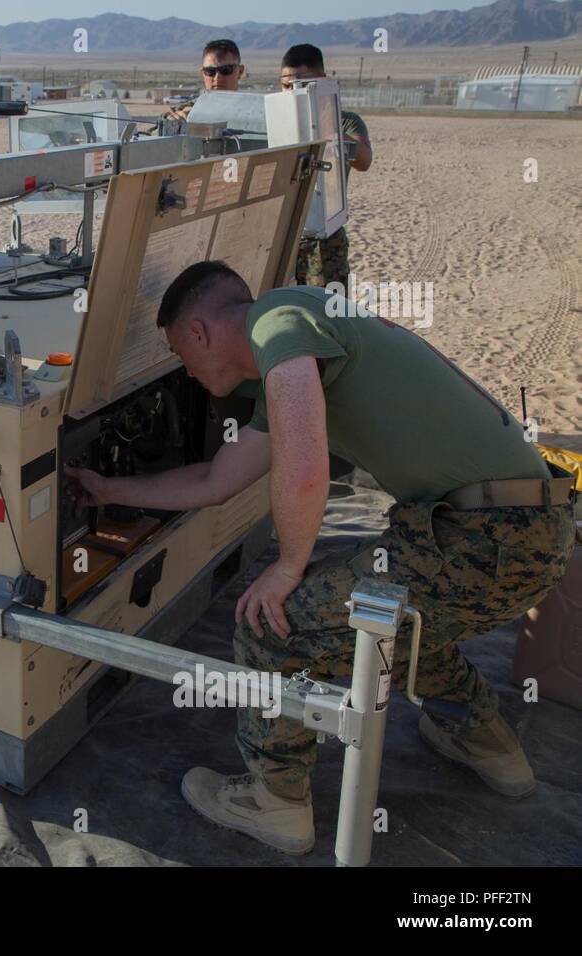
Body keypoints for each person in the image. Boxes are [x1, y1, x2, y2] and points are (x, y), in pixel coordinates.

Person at [65, 261, 575, 855]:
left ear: (199, 334)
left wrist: (285, 572)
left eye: (182, 354)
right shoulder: (301, 334)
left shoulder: (280, 319)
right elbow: (214, 479)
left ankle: (276, 805)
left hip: (482, 535)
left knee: (271, 627)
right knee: (394, 619)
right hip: (526, 529)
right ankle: (489, 746)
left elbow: (306, 469)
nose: (187, 370)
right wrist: (108, 490)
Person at [281, 44, 373, 288]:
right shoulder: (277, 119)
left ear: (322, 80)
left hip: (324, 239)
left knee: (329, 315)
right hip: (284, 237)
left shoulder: (346, 121)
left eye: (302, 85)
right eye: (286, 85)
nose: (293, 92)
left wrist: (328, 126)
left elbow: (364, 160)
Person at [163, 39, 244, 124]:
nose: (217, 78)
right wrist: (174, 121)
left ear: (240, 71)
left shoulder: (253, 110)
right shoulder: (190, 111)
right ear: (203, 73)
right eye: (210, 71)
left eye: (226, 70)